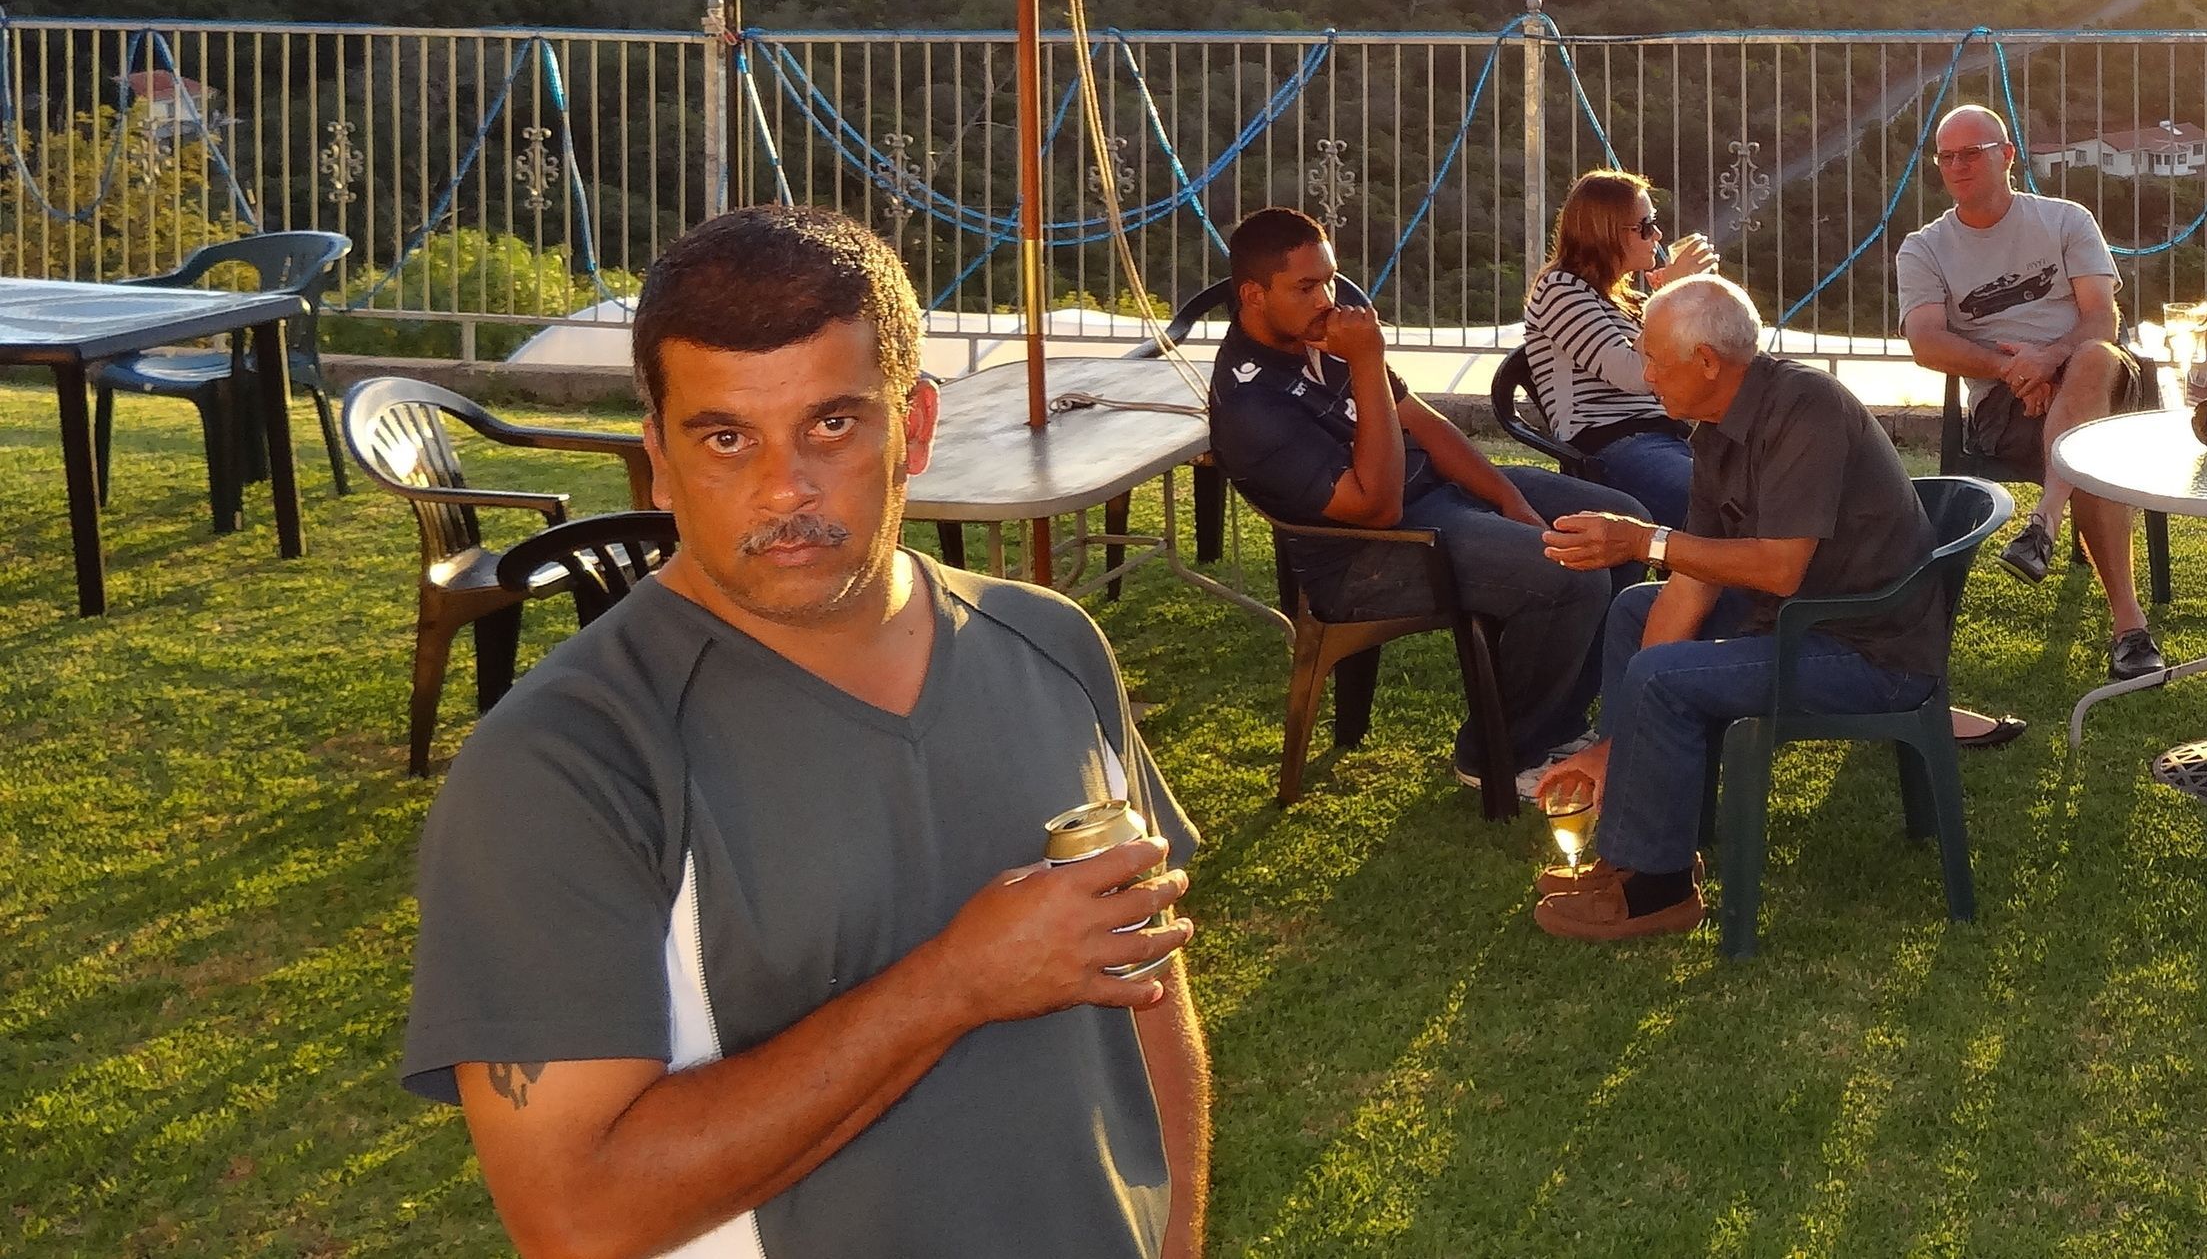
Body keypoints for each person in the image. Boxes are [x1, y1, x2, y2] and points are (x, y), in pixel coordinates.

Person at [403, 207, 1206, 1259]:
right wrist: (954, 985)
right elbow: (576, 1214)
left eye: (832, 423)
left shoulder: (1051, 647)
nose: (784, 489)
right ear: (657, 458)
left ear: (914, 427)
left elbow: (1152, 1000)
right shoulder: (564, 767)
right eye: (726, 436)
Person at [1523, 275, 1953, 941]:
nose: (1644, 376)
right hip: (1799, 621)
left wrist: (1646, 540)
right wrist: (1613, 746)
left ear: (1706, 363)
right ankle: (1637, 849)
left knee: (1662, 676)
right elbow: (1692, 582)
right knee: (1639, 611)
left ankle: (1659, 892)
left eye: (1653, 362)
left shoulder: (1805, 408)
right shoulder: (1718, 428)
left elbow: (1781, 570)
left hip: (1865, 650)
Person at [1205, 205, 1637, 800]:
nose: (1327, 298)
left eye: (1329, 278)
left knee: (1620, 527)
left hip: (1431, 495)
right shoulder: (1253, 404)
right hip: (1370, 555)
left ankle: (1557, 723)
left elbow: (1426, 427)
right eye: (1305, 287)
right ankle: (1498, 753)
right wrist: (1364, 362)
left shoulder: (1321, 335)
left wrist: (1510, 499)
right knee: (1571, 574)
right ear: (1254, 294)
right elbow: (1376, 508)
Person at [1901, 102, 2160, 681]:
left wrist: (2049, 360)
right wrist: (2010, 371)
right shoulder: (1924, 248)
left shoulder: (2065, 220)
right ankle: (2130, 629)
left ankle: (2044, 521)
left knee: (2091, 361)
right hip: (2006, 402)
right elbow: (1925, 342)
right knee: (2090, 450)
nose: (1958, 165)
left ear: (2007, 156)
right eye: (1947, 156)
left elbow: (2101, 320)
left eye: (1973, 152)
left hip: (2101, 379)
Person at [1520, 168, 1718, 526]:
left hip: (1667, 436)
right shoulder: (1560, 289)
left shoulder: (1628, 302)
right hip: (1613, 445)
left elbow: (1698, 365)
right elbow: (1635, 373)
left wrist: (1696, 300)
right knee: (1717, 511)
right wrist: (1666, 298)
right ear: (1606, 232)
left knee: (1770, 490)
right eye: (1644, 226)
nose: (1656, 235)